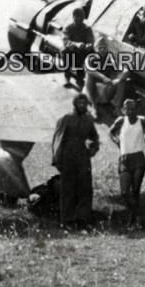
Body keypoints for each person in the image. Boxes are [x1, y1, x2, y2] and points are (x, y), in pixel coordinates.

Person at [51, 93, 100, 229]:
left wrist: (93, 148)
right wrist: (57, 160)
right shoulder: (66, 119)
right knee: (68, 190)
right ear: (74, 104)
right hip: (67, 158)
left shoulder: (88, 120)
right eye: (80, 103)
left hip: (83, 158)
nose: (82, 106)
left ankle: (83, 219)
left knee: (85, 189)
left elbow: (95, 137)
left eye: (84, 103)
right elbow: (57, 140)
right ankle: (67, 221)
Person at [108, 99, 145, 224]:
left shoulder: (143, 121)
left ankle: (133, 221)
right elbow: (111, 132)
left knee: (135, 191)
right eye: (127, 109)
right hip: (124, 159)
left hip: (138, 159)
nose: (130, 111)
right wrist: (117, 141)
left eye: (133, 108)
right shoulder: (121, 121)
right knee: (125, 191)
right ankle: (140, 215)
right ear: (124, 110)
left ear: (137, 109)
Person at [85, 36, 130, 122]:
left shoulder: (110, 57)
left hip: (107, 87)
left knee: (123, 80)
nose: (102, 50)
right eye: (100, 48)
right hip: (93, 89)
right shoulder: (90, 58)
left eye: (104, 47)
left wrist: (124, 70)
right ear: (95, 49)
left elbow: (117, 65)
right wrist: (103, 78)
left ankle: (117, 108)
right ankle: (94, 106)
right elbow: (89, 69)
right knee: (89, 75)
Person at [62, 7, 95, 89]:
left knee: (91, 54)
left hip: (82, 50)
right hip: (71, 50)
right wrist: (76, 44)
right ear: (73, 17)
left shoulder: (87, 28)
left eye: (81, 17)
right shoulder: (68, 27)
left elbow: (90, 40)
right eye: (77, 17)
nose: (79, 19)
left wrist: (89, 45)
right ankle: (67, 77)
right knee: (65, 53)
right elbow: (65, 41)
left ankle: (80, 78)